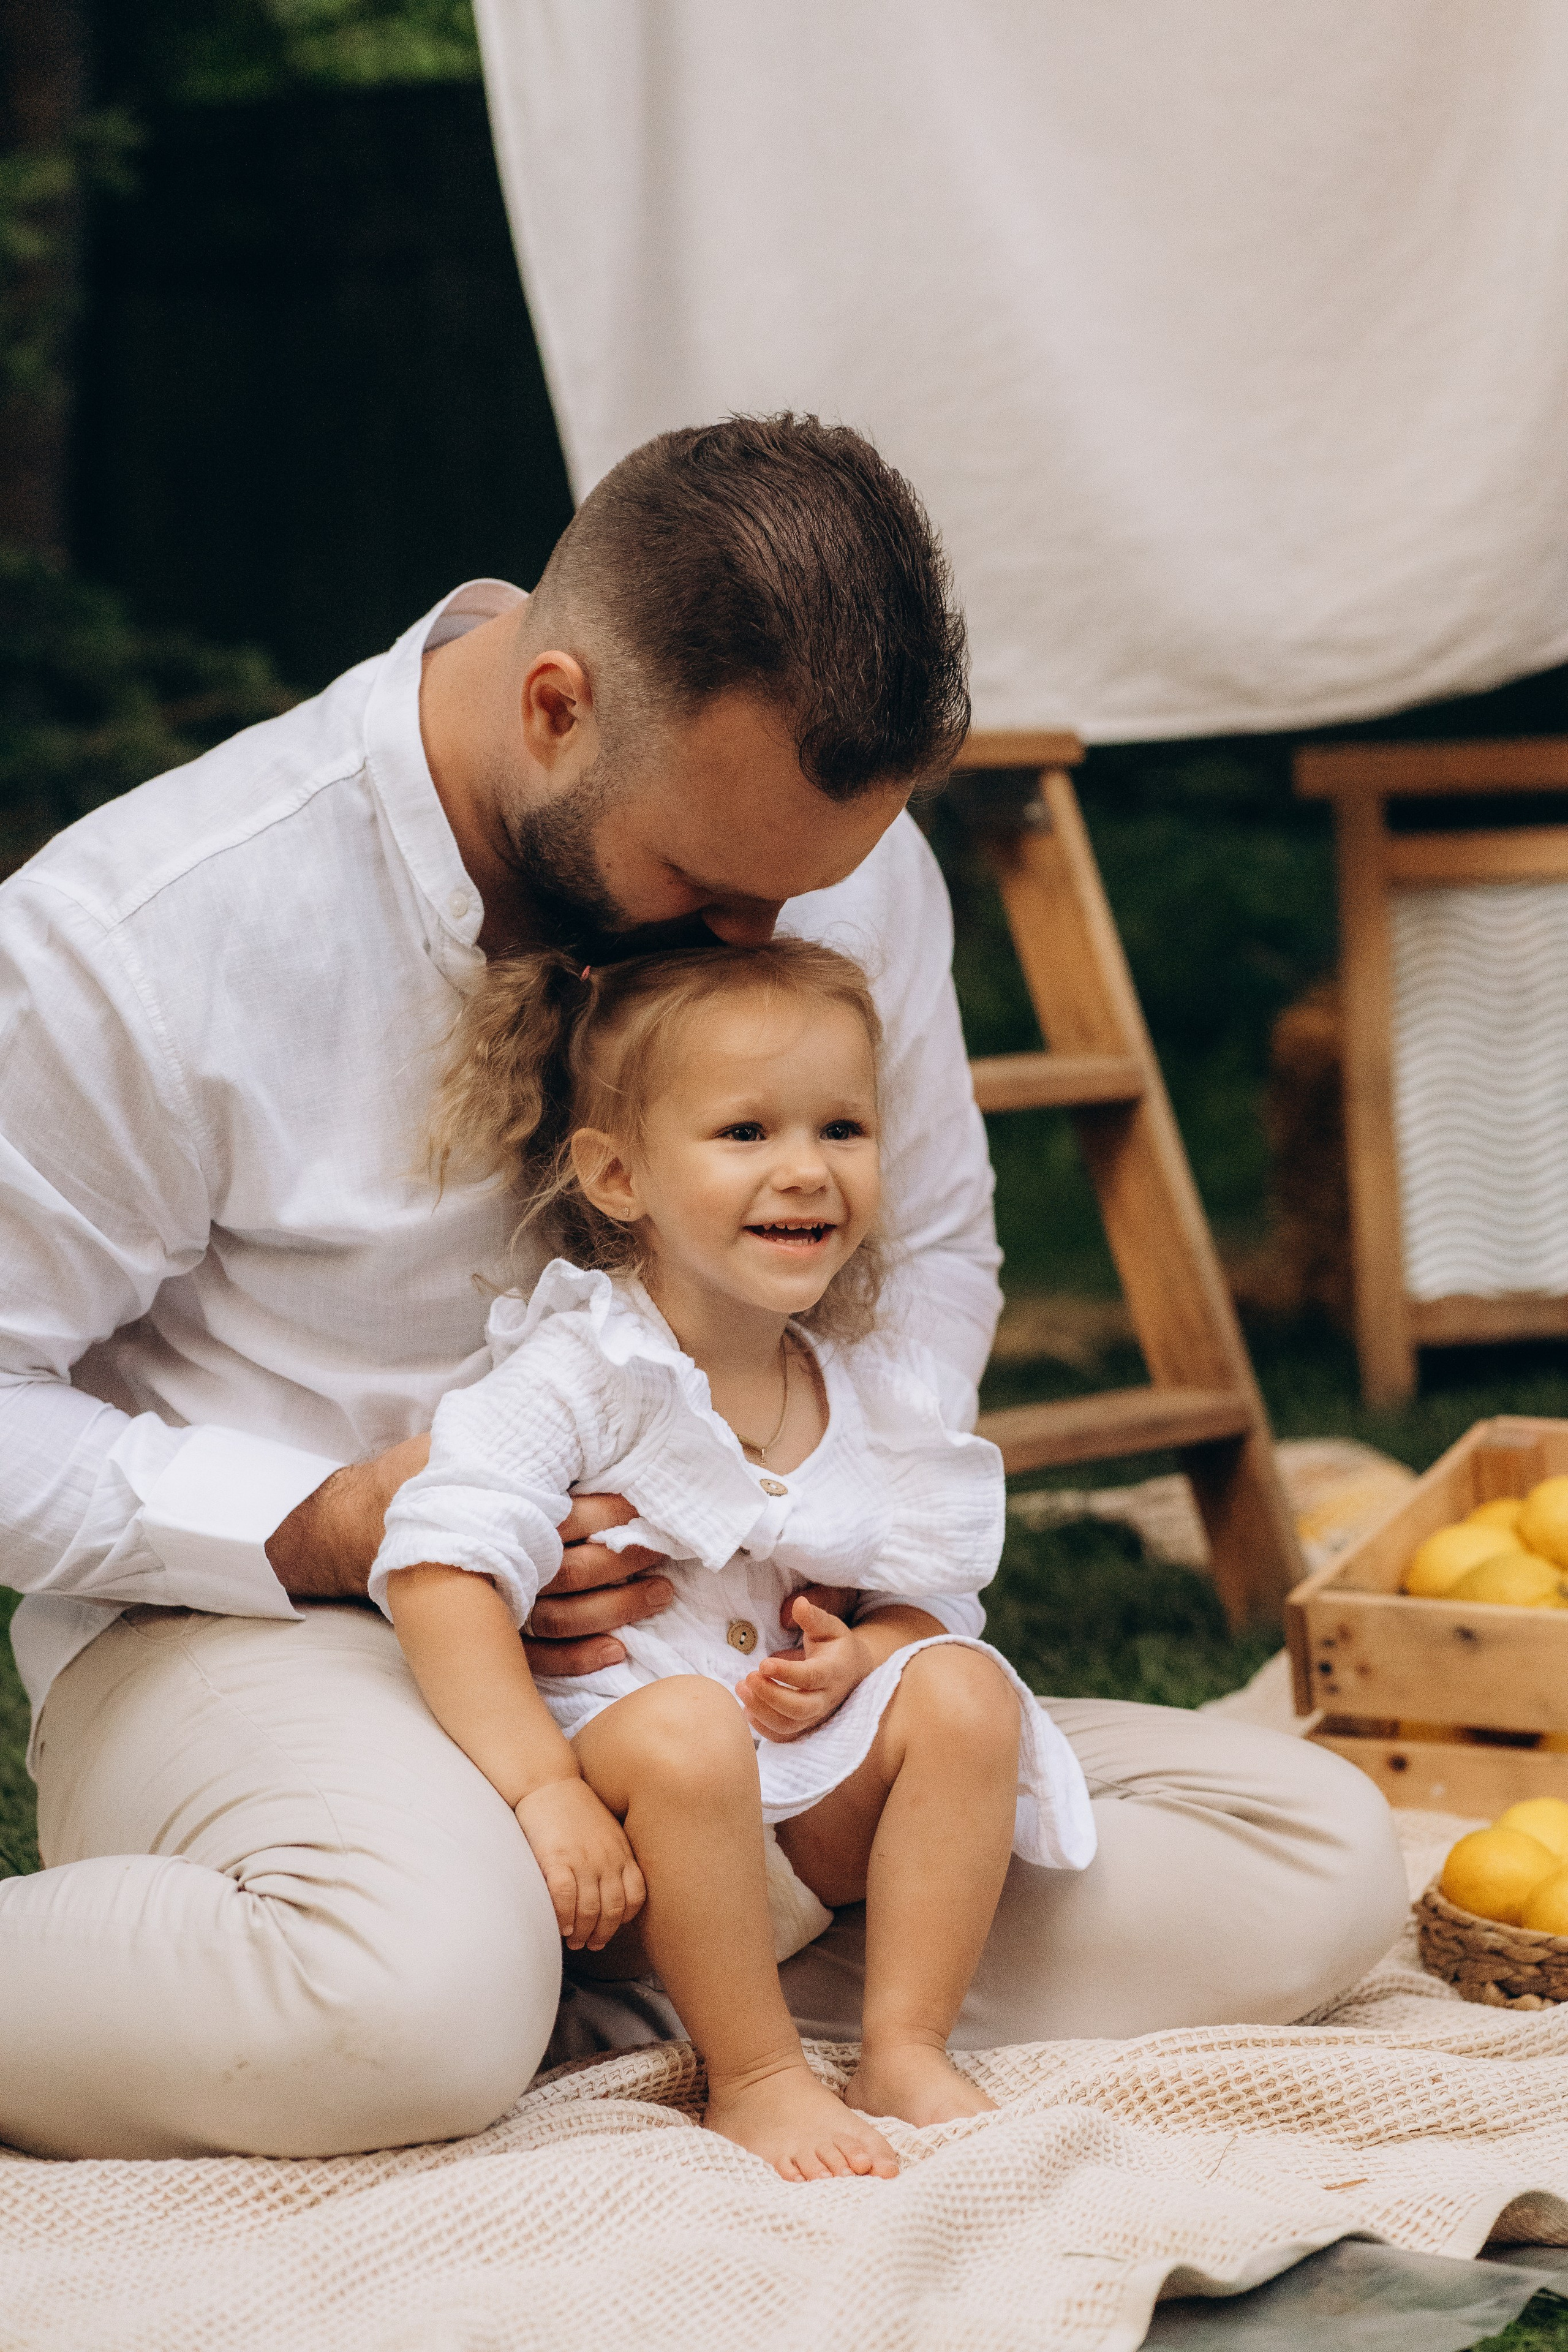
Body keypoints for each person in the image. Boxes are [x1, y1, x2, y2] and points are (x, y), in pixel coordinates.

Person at [0, 415, 1406, 2162]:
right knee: (407, 2009)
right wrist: (330, 1520)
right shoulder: (134, 943)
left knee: (1314, 1869)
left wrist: (842, 1535)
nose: (763, 941)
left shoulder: (809, 843)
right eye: (708, 890)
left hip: (723, 1674)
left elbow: (942, 1252)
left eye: (801, 893)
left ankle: (610, 1967)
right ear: (557, 708)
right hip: (283, 1634)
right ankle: (468, 1962)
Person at [374, 935, 1098, 2180]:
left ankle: (900, 2042)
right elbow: (437, 1569)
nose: (805, 1171)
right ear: (618, 1175)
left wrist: (862, 1651)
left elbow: (928, 1609)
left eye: (841, 1129)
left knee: (965, 1687)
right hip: (626, 1848)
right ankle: (754, 2078)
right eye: (746, 1134)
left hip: (800, 1822)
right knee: (686, 1732)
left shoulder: (868, 1381)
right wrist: (544, 1790)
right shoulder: (580, 1371)